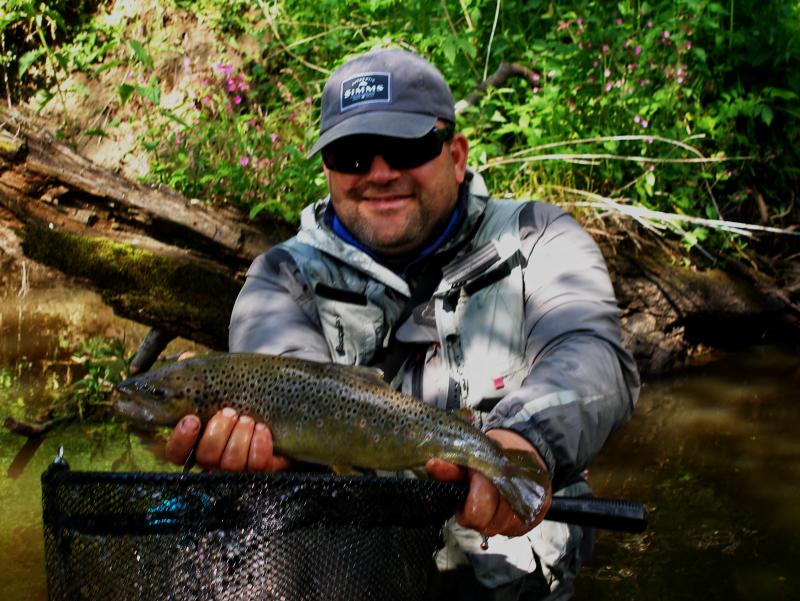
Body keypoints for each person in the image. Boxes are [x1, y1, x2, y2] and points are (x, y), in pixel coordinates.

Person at [165, 48, 640, 600]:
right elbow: (286, 380)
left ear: (456, 155)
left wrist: (523, 438)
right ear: (328, 170)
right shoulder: (280, 280)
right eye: (352, 156)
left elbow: (593, 358)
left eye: (407, 147)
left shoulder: (538, 236)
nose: (380, 174)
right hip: (354, 576)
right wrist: (276, 454)